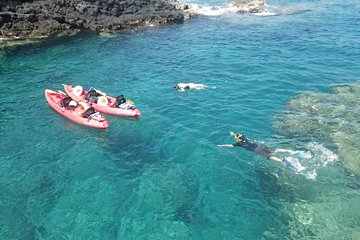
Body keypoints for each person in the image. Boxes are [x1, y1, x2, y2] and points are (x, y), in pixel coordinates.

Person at [217, 132, 295, 163]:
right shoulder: (244, 138)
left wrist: (221, 145)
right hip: (260, 146)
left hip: (256, 150)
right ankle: (289, 151)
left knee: (269, 157)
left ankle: (281, 160)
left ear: (238, 140)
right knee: (275, 150)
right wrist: (233, 134)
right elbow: (238, 135)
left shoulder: (239, 144)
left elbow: (230, 146)